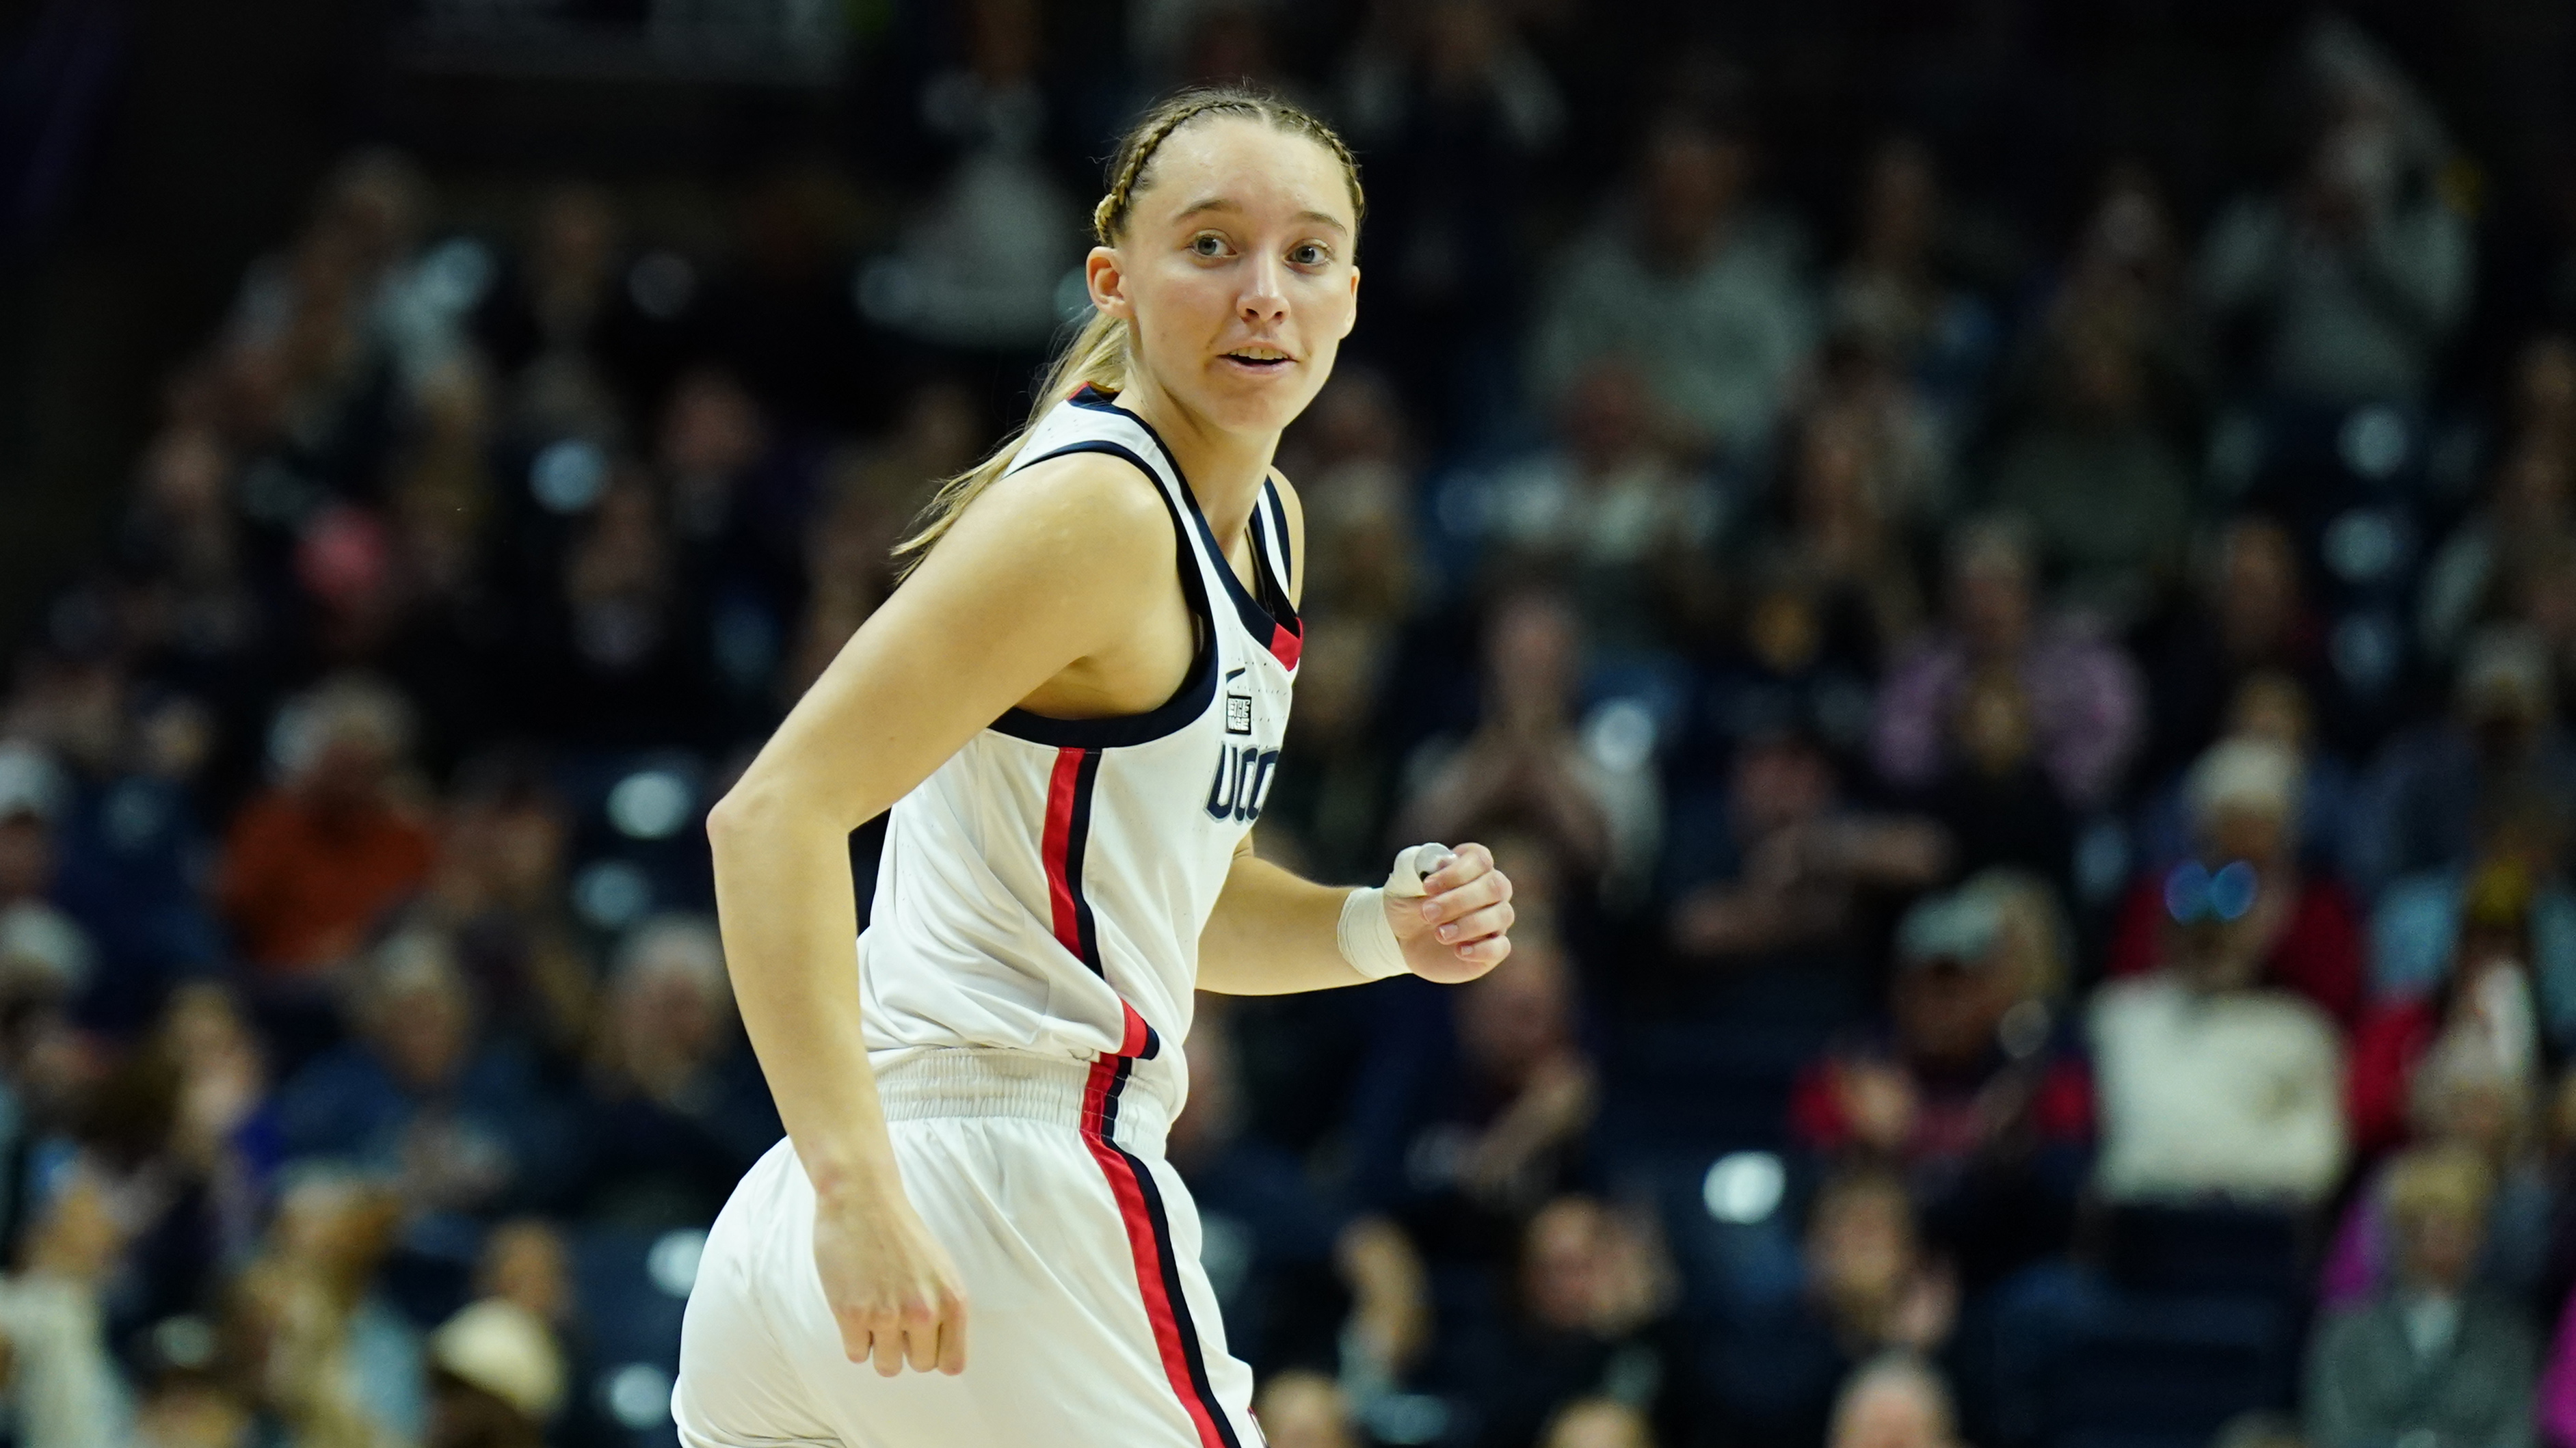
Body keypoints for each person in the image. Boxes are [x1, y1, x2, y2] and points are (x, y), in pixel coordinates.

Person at [674, 86, 1517, 1448]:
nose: (1264, 292)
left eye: (1306, 254)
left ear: (1353, 298)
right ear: (1113, 280)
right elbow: (771, 815)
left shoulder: (1264, 524)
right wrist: (858, 1192)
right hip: (991, 1191)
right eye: (1212, 245)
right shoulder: (1105, 511)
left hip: (834, 1230)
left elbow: (1179, 904)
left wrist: (1380, 931)